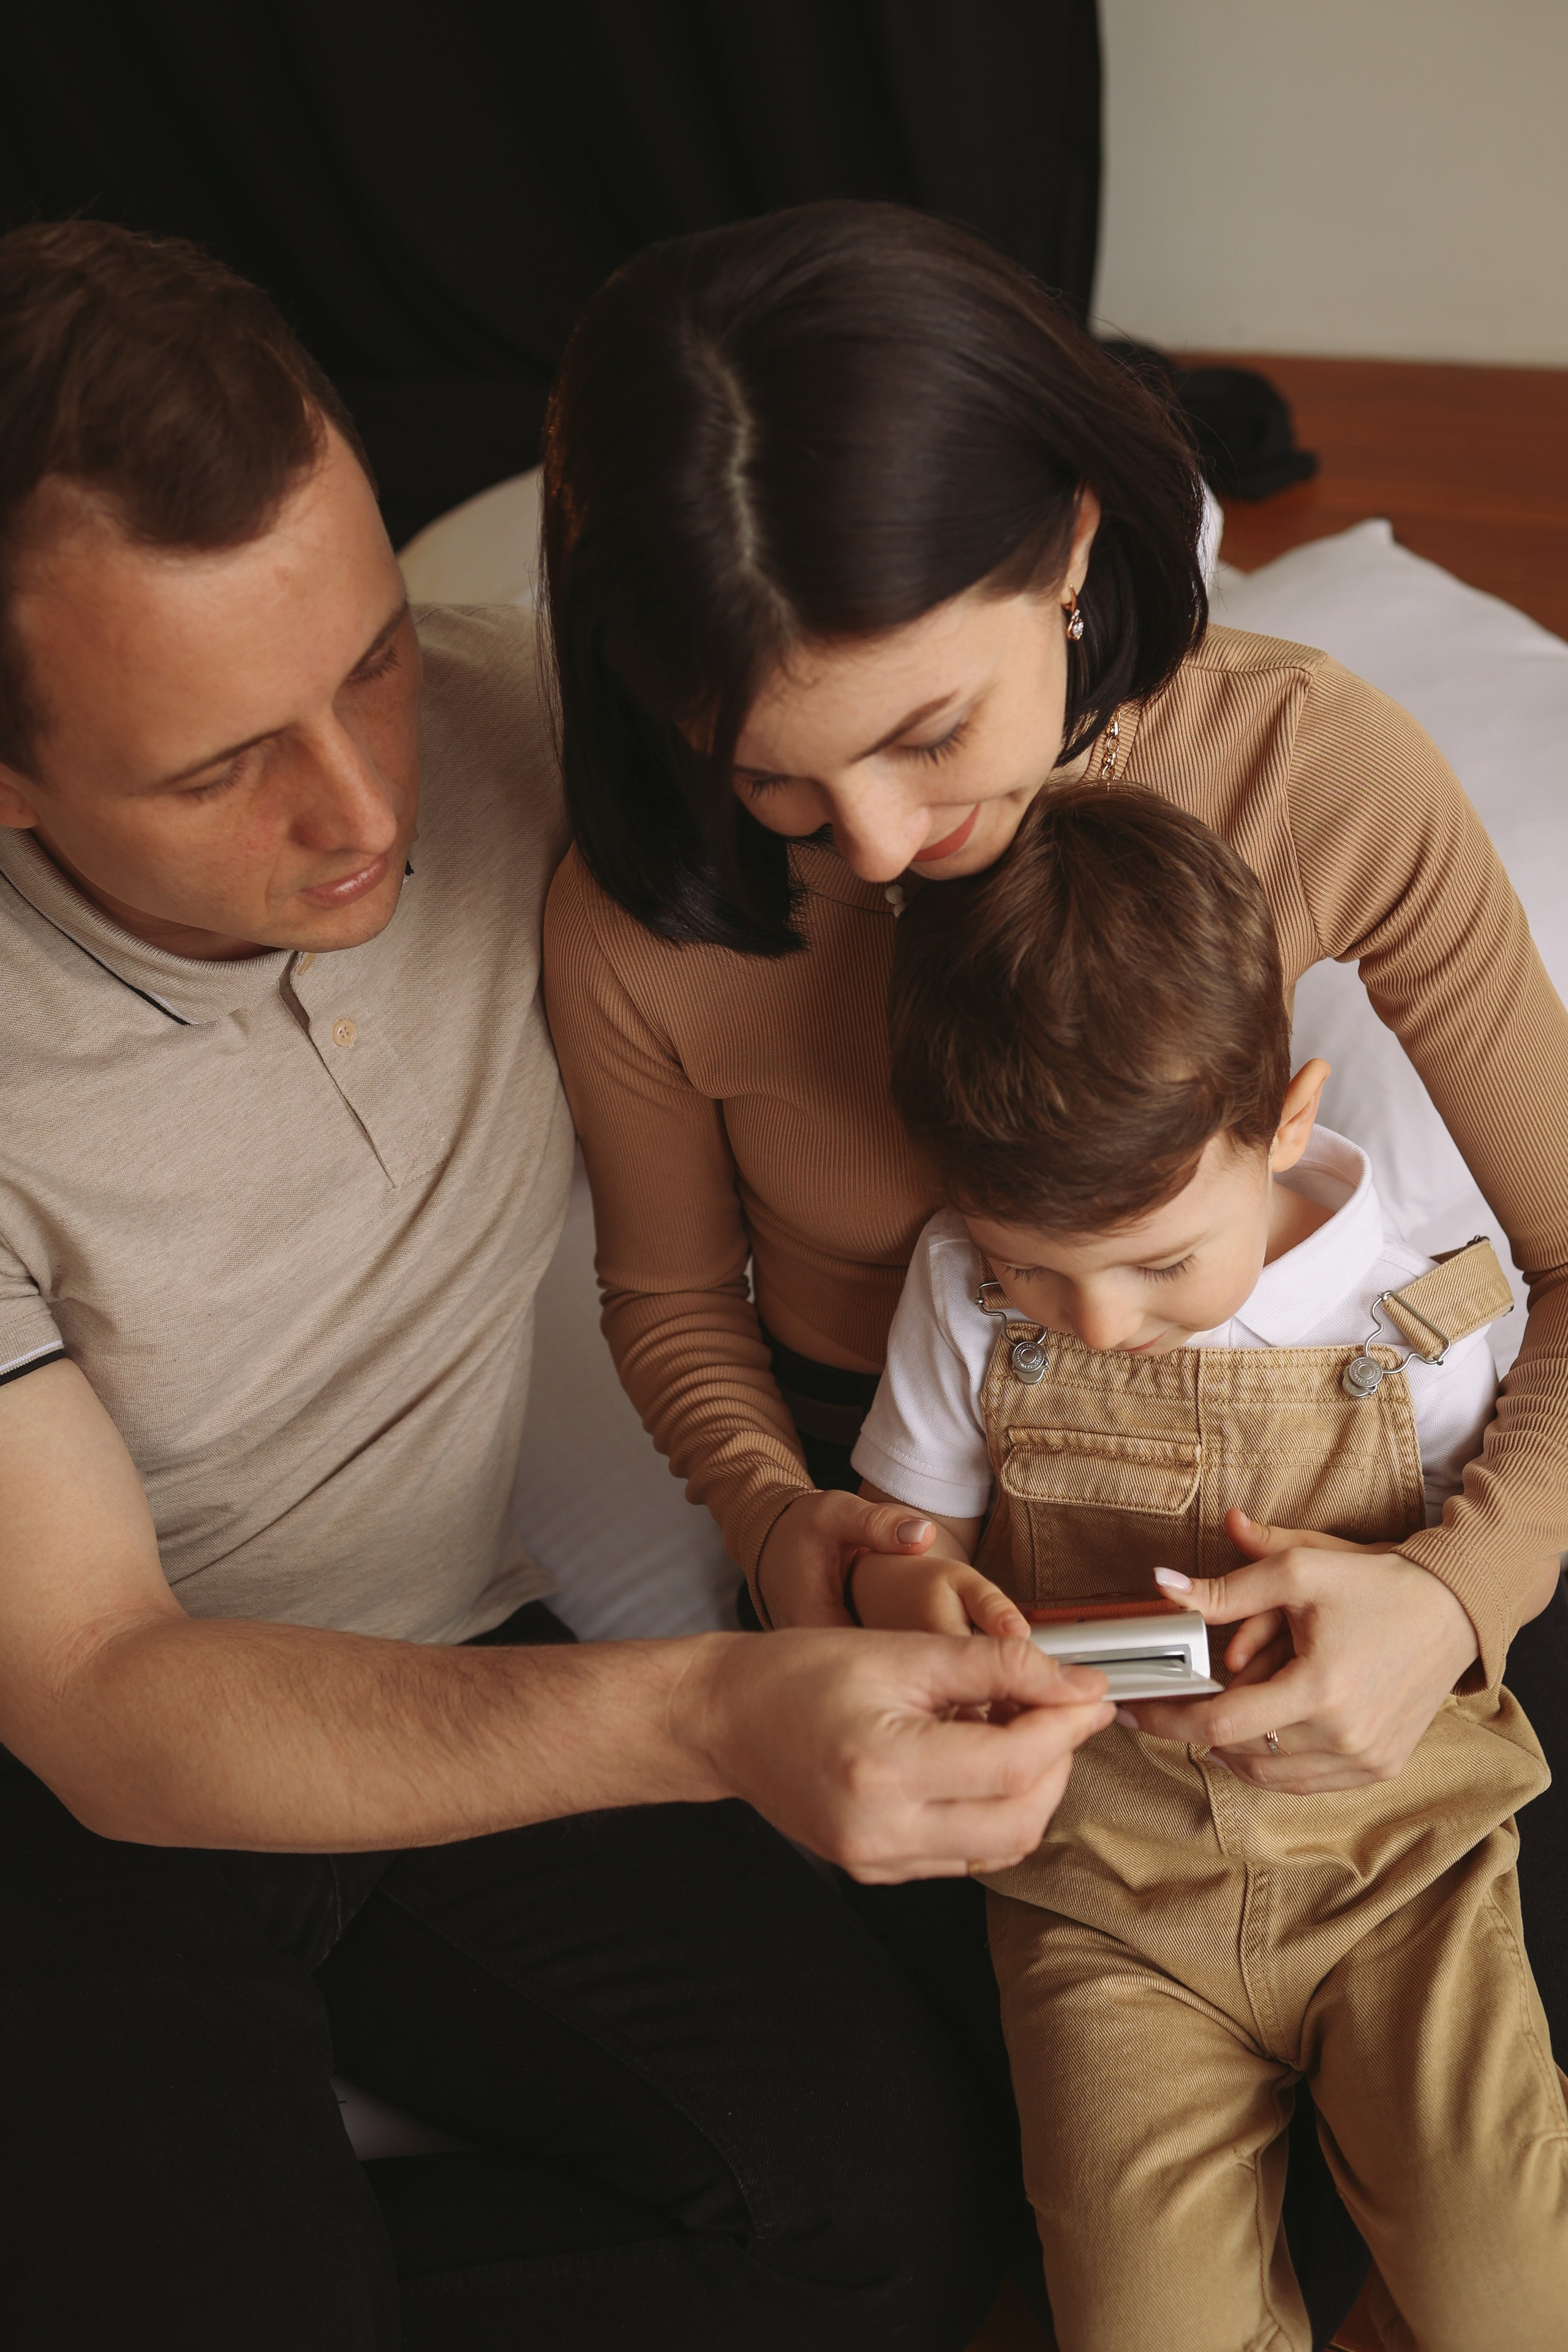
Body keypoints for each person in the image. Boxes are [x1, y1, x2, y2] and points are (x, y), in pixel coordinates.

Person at [0, 219, 1119, 2352]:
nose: (362, 808)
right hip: (67, 1779)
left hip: (437, 1658)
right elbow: (103, 1694)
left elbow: (983, 753)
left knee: (893, 2233)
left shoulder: (536, 743)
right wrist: (708, 1717)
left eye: (367, 661)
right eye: (218, 764)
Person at [540, 198, 1568, 2340]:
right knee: (1023, 2223)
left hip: (1384, 1516)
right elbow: (674, 1308)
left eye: (930, 734)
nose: (879, 848)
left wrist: (1455, 1597)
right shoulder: (644, 926)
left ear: (1076, 548)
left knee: (1496, 2209)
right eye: (776, 784)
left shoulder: (1312, 769)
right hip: (942, 1534)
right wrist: (796, 1535)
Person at [847, 785, 1568, 2350]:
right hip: (1099, 1898)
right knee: (1140, 2321)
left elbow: (1496, 1550)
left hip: (1398, 1872)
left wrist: (1425, 1595)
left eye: (1159, 1260)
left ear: (1285, 1124)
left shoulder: (1411, 1312)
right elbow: (904, 1536)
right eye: (1032, 1267)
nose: (1096, 1321)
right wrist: (924, 1606)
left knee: (1512, 2281)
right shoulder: (957, 1294)